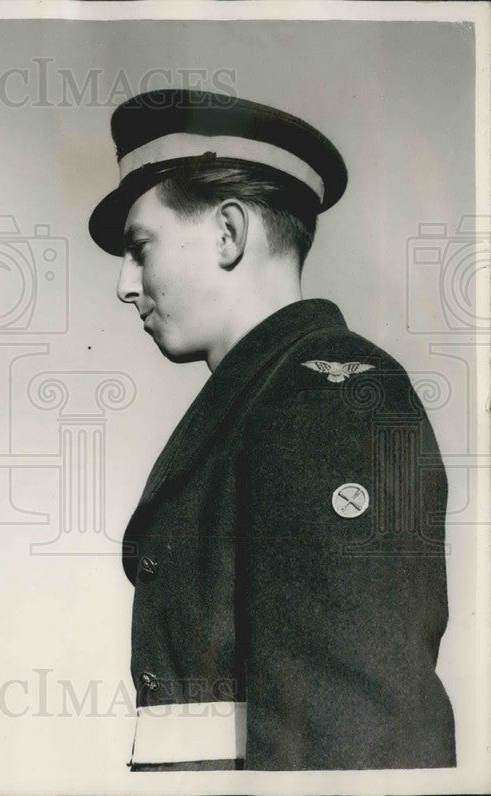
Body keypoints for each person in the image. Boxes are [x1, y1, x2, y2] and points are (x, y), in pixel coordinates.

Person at [88, 89, 455, 770]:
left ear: (228, 233)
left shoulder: (329, 398)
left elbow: (352, 721)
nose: (125, 285)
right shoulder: (265, 401)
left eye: (141, 249)